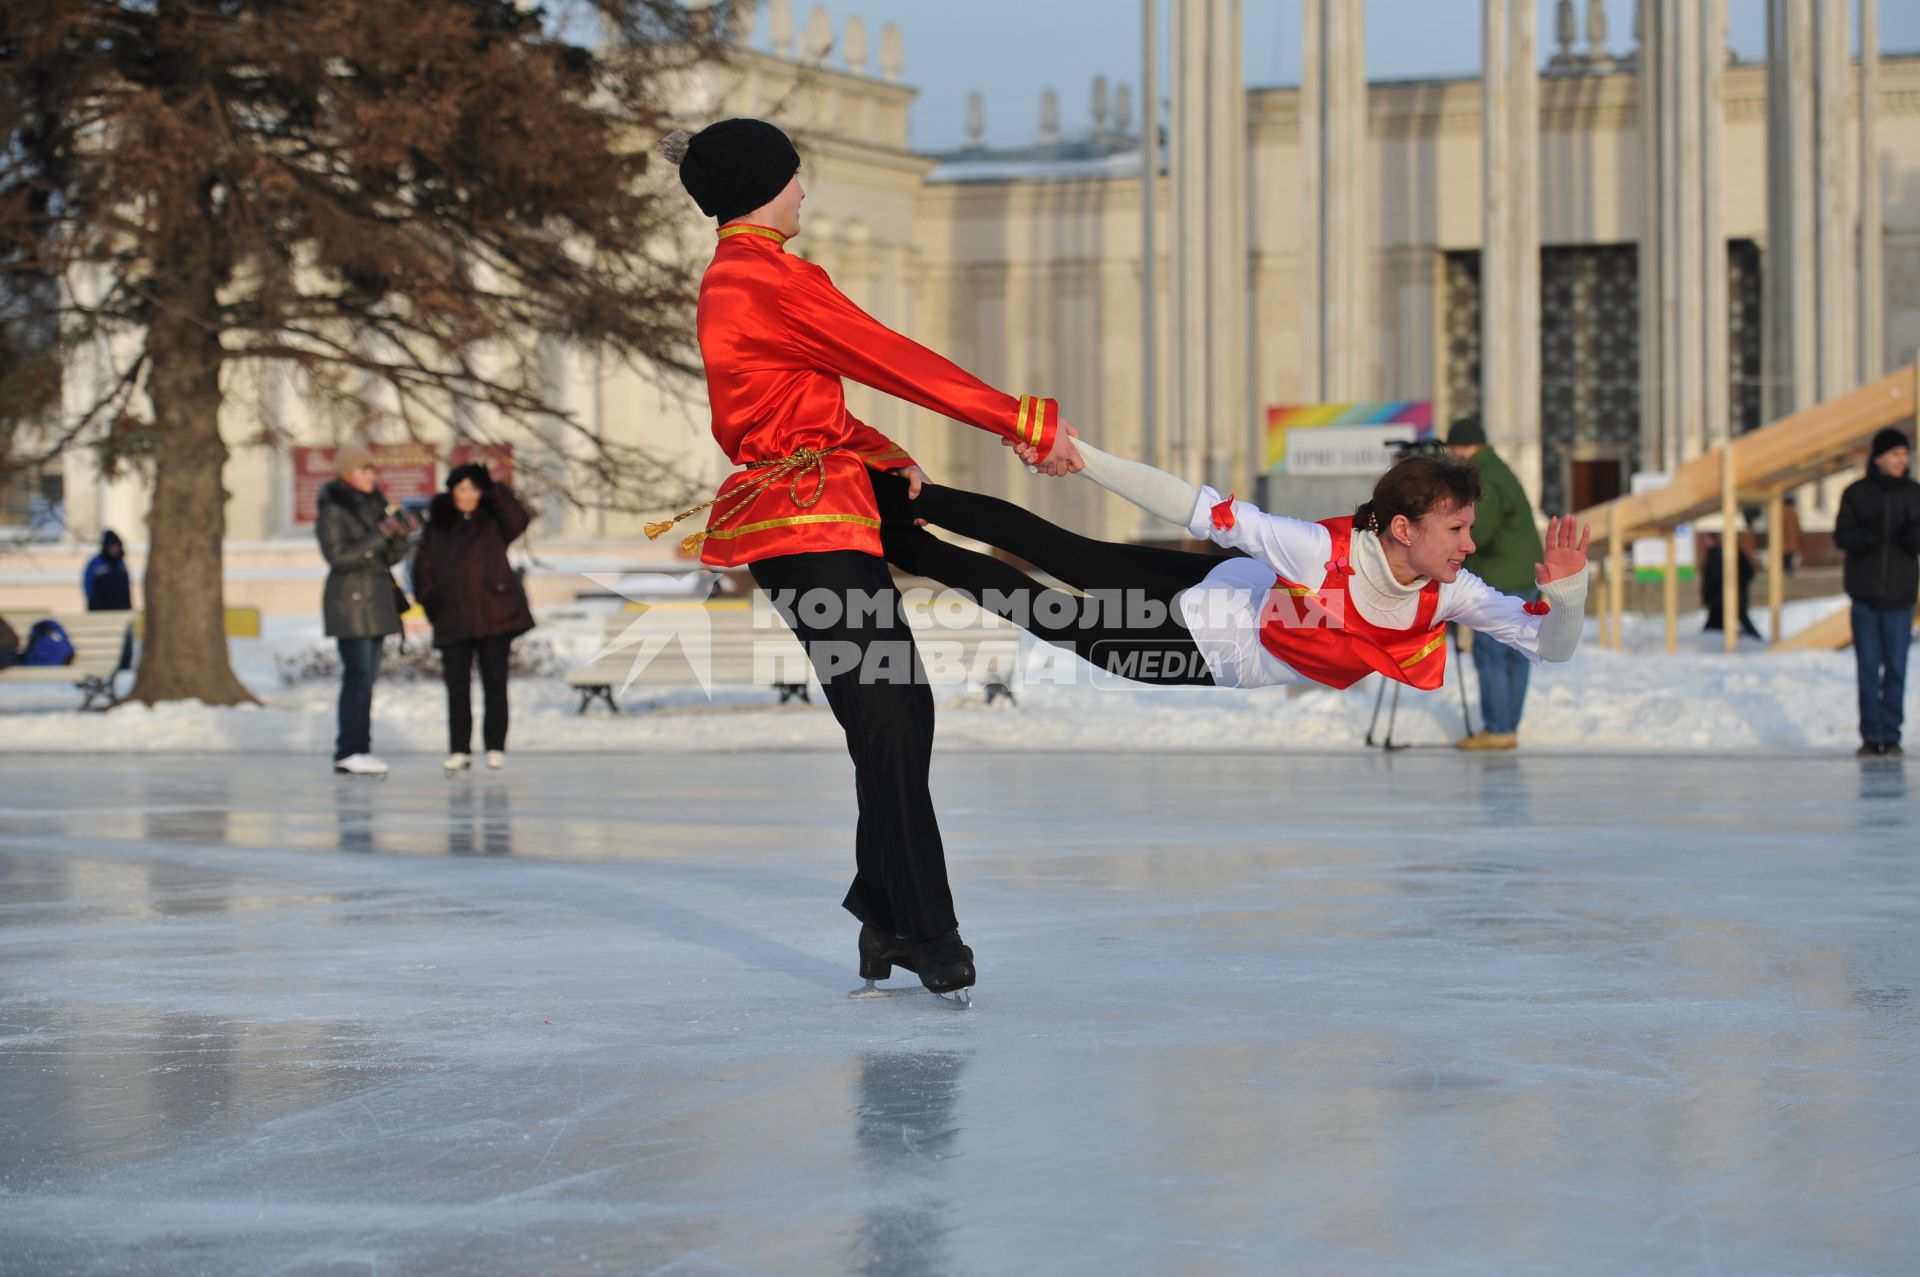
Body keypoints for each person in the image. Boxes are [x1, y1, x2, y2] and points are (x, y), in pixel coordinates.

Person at [653, 117, 1083, 1001]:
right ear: (761, 187)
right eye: (795, 177)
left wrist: (884, 452)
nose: (804, 191)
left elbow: (805, 405)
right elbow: (891, 357)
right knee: (891, 715)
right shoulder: (765, 276)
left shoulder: (746, 276)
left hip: (816, 521)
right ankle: (925, 929)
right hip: (804, 530)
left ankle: (884, 913)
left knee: (894, 714)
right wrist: (1023, 420)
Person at [875, 443, 1590, 699]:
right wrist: (1080, 454)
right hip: (1201, 590)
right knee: (1060, 547)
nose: (1469, 544)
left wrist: (1566, 595)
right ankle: (909, 494)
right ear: (1404, 528)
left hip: (1188, 654)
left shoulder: (1450, 595)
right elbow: (1198, 509)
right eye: (1457, 529)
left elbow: (1551, 646)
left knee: (1025, 600)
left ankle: (908, 548)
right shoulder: (1319, 550)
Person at [412, 463, 534, 773]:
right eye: (462, 489)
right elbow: (422, 567)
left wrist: (493, 489)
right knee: (457, 686)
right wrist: (431, 600)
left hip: (494, 613)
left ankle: (495, 746)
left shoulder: (494, 520)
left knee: (495, 683)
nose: (467, 496)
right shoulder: (438, 524)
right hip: (452, 614)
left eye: (473, 489)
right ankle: (459, 749)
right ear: (452, 491)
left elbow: (519, 520)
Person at [1445, 416, 1546, 750]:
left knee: (1491, 654)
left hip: (1500, 575)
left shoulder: (1482, 476)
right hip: (1523, 573)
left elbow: (1477, 532)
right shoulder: (1498, 468)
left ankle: (1497, 728)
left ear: (1463, 447)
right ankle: (1508, 726)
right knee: (1517, 653)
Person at [316, 445, 414, 777]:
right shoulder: (332, 509)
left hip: (375, 597)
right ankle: (349, 750)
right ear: (346, 474)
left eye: (372, 470)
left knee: (367, 679)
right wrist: (379, 534)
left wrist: (400, 534)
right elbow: (339, 557)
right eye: (363, 470)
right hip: (350, 602)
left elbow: (386, 557)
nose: (370, 476)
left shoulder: (375, 506)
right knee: (357, 677)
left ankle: (361, 748)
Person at [1834, 428, 1920, 758]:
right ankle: (1871, 735)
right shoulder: (1857, 494)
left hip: (1899, 598)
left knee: (1896, 667)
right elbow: (1843, 537)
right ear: (1879, 458)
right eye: (1895, 454)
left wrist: (1909, 530)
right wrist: (1873, 531)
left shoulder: (1914, 494)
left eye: (1905, 454)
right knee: (1868, 668)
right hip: (1866, 597)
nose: (1902, 460)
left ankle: (1892, 733)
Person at [1698, 531, 1763, 640]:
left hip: (1727, 597)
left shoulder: (1725, 553)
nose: (1703, 544)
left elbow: (1747, 573)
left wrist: (1736, 587)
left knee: (1738, 622)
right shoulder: (1715, 554)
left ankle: (1756, 643)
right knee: (1715, 628)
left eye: (1706, 540)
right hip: (1720, 599)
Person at [82, 531, 134, 611]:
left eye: (117, 546)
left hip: (121, 609)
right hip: (100, 610)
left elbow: (126, 589)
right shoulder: (95, 564)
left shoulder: (120, 564)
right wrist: (94, 604)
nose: (115, 550)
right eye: (112, 547)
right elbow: (89, 587)